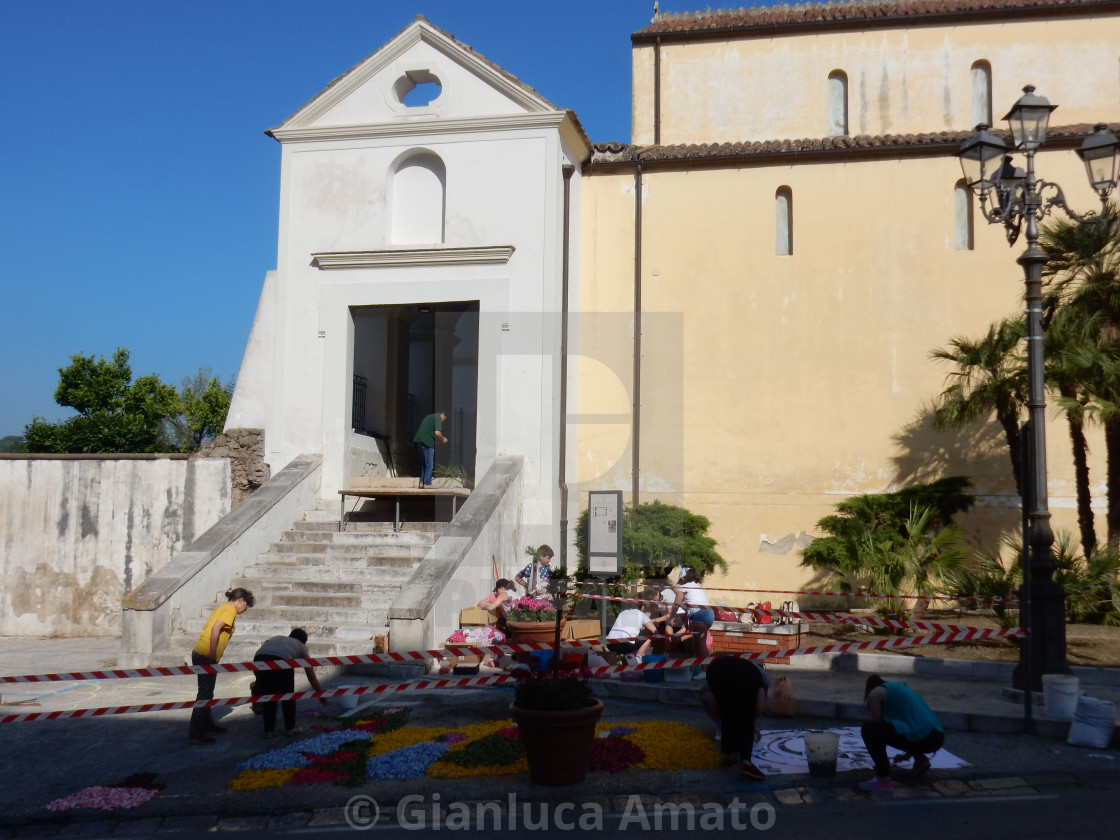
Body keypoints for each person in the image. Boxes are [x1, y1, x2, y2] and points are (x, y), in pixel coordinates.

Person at [858, 674, 944, 794]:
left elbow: (878, 726)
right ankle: (921, 760)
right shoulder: (898, 689)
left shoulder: (875, 694)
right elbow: (911, 727)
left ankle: (883, 779)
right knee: (898, 726)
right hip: (937, 736)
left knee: (869, 730)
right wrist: (907, 755)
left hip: (925, 738)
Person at [188, 587, 254, 744]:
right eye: (246, 605)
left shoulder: (224, 608)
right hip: (205, 655)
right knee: (204, 694)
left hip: (201, 654)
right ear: (241, 600)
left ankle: (207, 723)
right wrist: (212, 653)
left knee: (207, 692)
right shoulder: (230, 610)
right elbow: (216, 628)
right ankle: (196, 733)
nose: (244, 610)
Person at [701, 654, 769, 781]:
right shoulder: (762, 679)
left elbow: (723, 704)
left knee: (727, 711)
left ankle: (730, 758)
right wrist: (752, 723)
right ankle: (746, 763)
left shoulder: (746, 667)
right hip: (728, 674)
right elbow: (759, 707)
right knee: (746, 715)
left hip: (714, 672)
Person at [252, 628, 328, 738]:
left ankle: (269, 731)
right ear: (303, 641)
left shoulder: (276, 637)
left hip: (259, 660)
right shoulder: (301, 646)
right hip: (282, 661)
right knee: (288, 696)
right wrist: (320, 693)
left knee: (268, 697)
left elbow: (265, 648)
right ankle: (291, 728)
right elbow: (311, 675)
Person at [671, 567, 715, 679]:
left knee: (700, 643)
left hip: (699, 614)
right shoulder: (696, 587)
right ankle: (698, 669)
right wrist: (685, 625)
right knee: (696, 643)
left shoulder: (683, 587)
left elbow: (676, 605)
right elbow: (687, 614)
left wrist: (671, 616)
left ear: (682, 578)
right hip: (708, 613)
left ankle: (706, 671)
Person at [412, 411, 449, 487]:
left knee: (424, 463)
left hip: (419, 440)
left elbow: (428, 432)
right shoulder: (438, 418)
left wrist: (437, 442)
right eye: (444, 419)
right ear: (443, 415)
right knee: (429, 464)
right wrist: (443, 439)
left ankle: (422, 482)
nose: (443, 421)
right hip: (427, 442)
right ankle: (427, 483)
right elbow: (437, 433)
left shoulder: (430, 417)